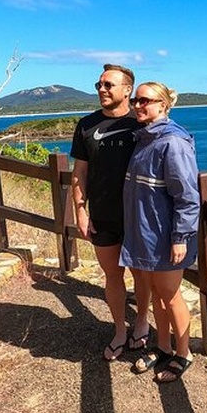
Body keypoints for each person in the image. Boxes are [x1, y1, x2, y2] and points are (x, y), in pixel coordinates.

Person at [120, 81, 200, 383]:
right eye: (136, 100)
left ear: (163, 106)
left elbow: (187, 197)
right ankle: (163, 346)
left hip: (166, 237)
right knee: (157, 294)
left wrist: (180, 238)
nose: (138, 105)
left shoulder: (172, 143)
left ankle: (183, 354)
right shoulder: (145, 138)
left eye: (146, 101)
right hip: (147, 233)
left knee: (170, 297)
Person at [70, 64, 151, 361]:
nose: (102, 89)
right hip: (103, 214)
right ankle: (119, 330)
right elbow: (79, 171)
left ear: (127, 89)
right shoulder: (87, 125)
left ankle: (141, 322)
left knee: (141, 275)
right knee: (112, 275)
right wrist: (80, 210)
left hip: (139, 216)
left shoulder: (142, 122)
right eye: (99, 85)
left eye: (108, 85)